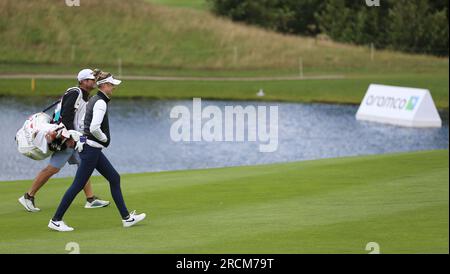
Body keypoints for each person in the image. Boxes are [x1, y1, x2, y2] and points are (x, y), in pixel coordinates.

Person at [49, 72, 146, 232]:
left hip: (90, 148)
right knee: (78, 185)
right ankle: (56, 220)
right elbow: (93, 127)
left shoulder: (93, 99)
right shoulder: (100, 102)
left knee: (114, 178)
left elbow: (81, 123)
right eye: (111, 85)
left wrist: (81, 139)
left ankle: (126, 218)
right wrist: (103, 139)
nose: (113, 87)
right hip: (91, 149)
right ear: (104, 85)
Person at [18, 69, 110, 212]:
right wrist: (68, 137)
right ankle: (28, 196)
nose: (94, 82)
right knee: (53, 168)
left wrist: (82, 138)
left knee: (83, 164)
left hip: (74, 137)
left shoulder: (83, 96)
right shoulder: (76, 93)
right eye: (91, 80)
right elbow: (66, 116)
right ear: (83, 82)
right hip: (67, 138)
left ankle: (90, 199)